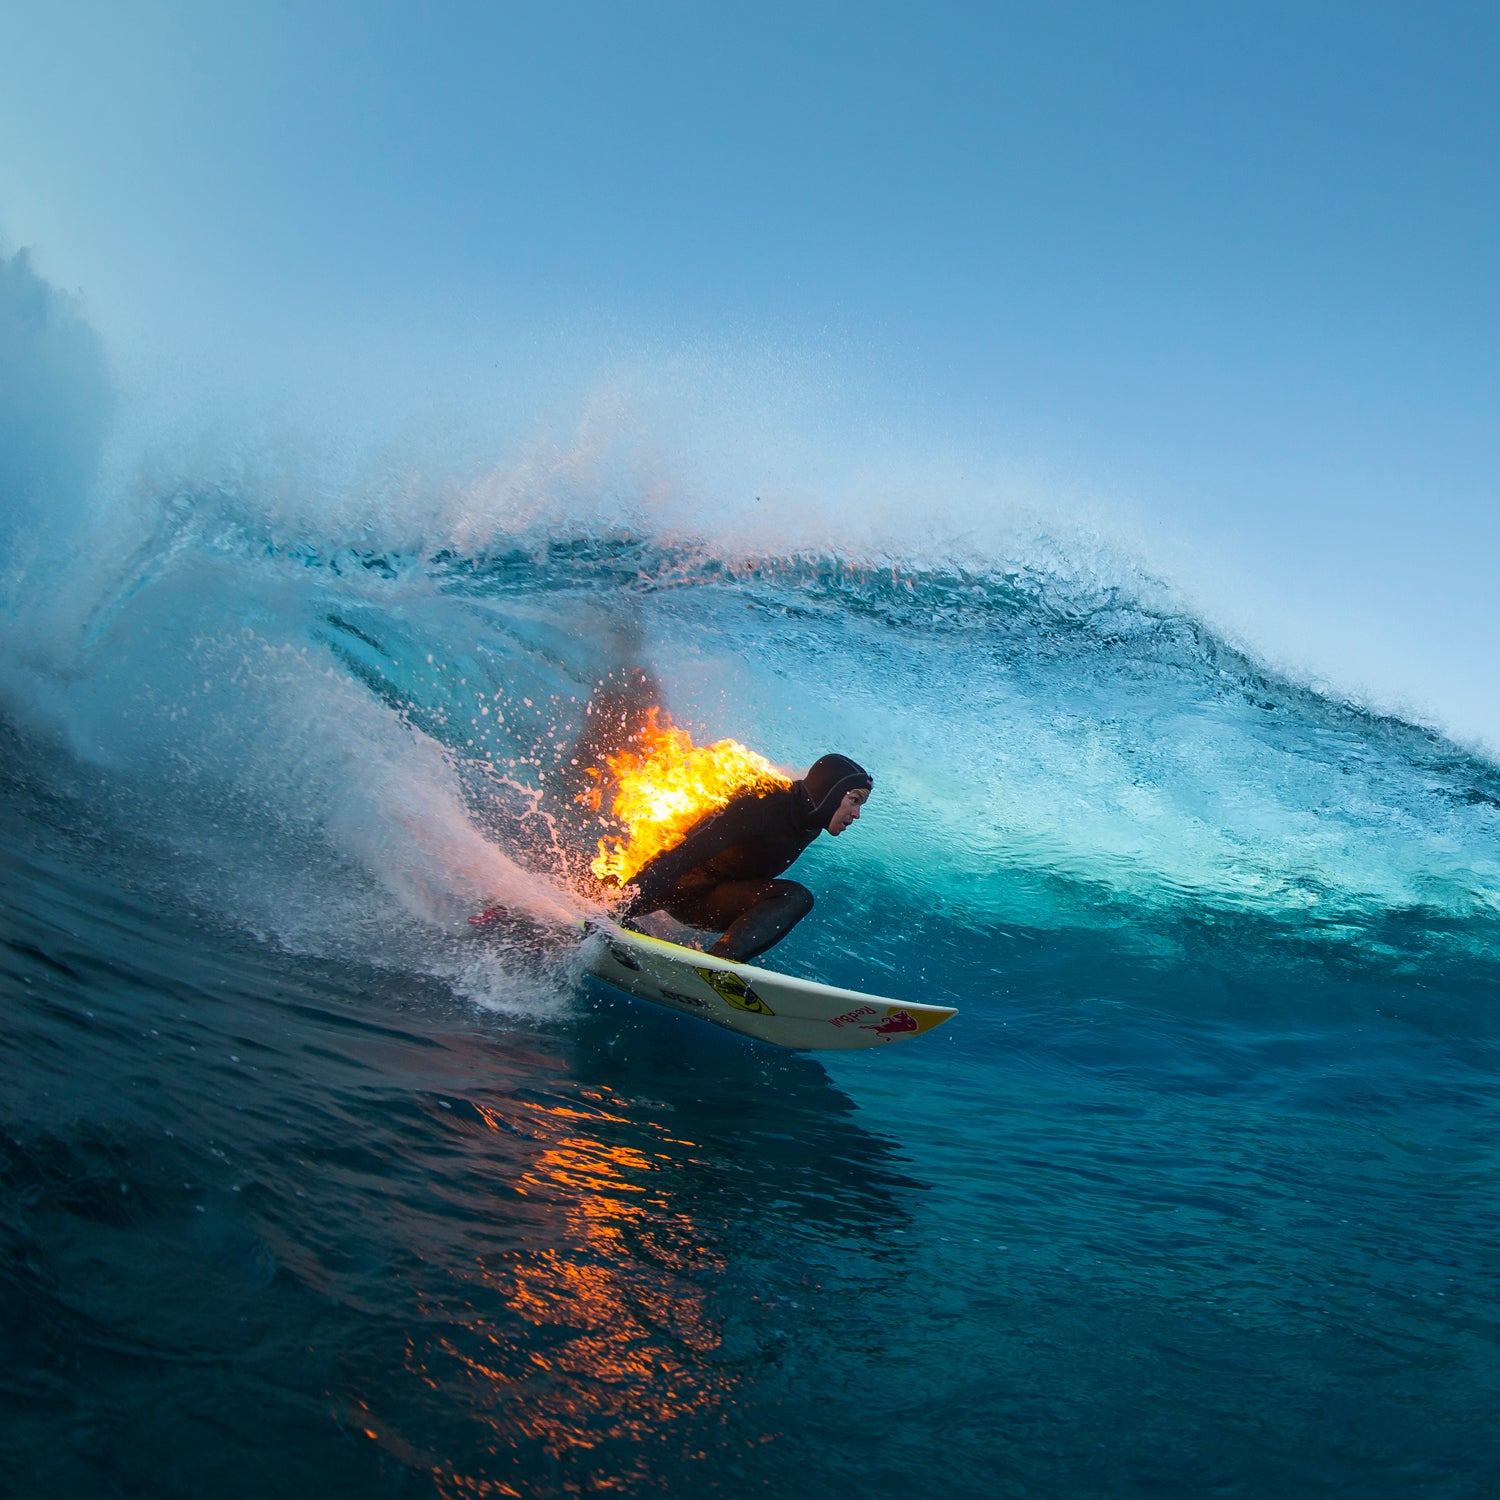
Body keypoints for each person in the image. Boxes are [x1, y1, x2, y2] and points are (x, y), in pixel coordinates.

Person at [616, 753, 873, 962]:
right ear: (829, 791)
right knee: (604, 903)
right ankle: (602, 909)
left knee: (796, 898)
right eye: (854, 800)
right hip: (671, 885)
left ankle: (713, 969)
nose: (857, 813)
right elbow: (680, 856)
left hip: (708, 902)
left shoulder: (811, 825)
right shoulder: (761, 804)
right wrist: (618, 907)